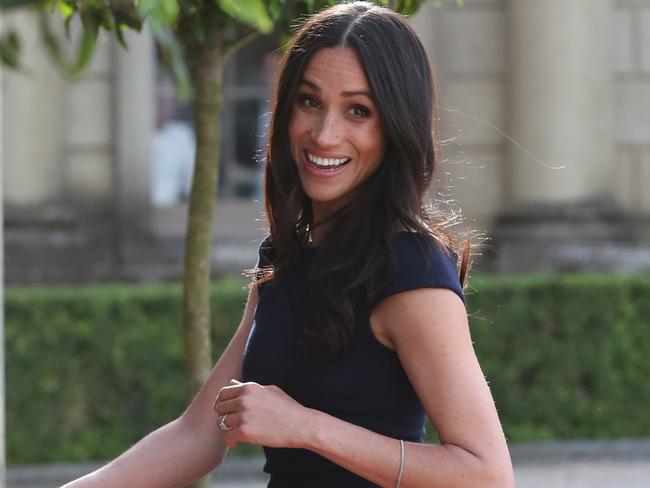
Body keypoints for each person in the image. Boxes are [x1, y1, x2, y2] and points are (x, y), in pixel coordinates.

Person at [63, 2, 514, 487]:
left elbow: (486, 474)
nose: (324, 134)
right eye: (309, 101)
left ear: (394, 127)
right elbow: (200, 434)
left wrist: (306, 427)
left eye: (358, 111)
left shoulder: (409, 268)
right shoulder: (288, 255)